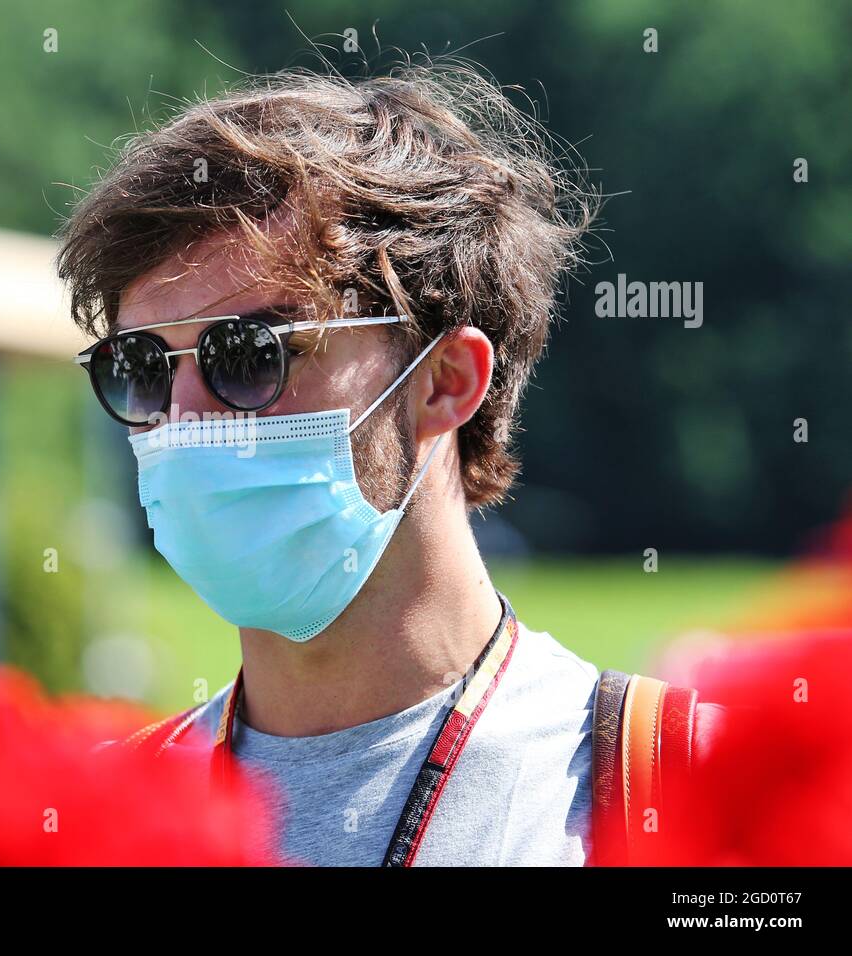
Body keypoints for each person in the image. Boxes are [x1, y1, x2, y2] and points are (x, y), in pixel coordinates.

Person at [57, 60, 601, 866]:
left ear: (446, 383)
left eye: (247, 355)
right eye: (140, 368)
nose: (185, 420)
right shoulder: (90, 827)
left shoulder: (666, 786)